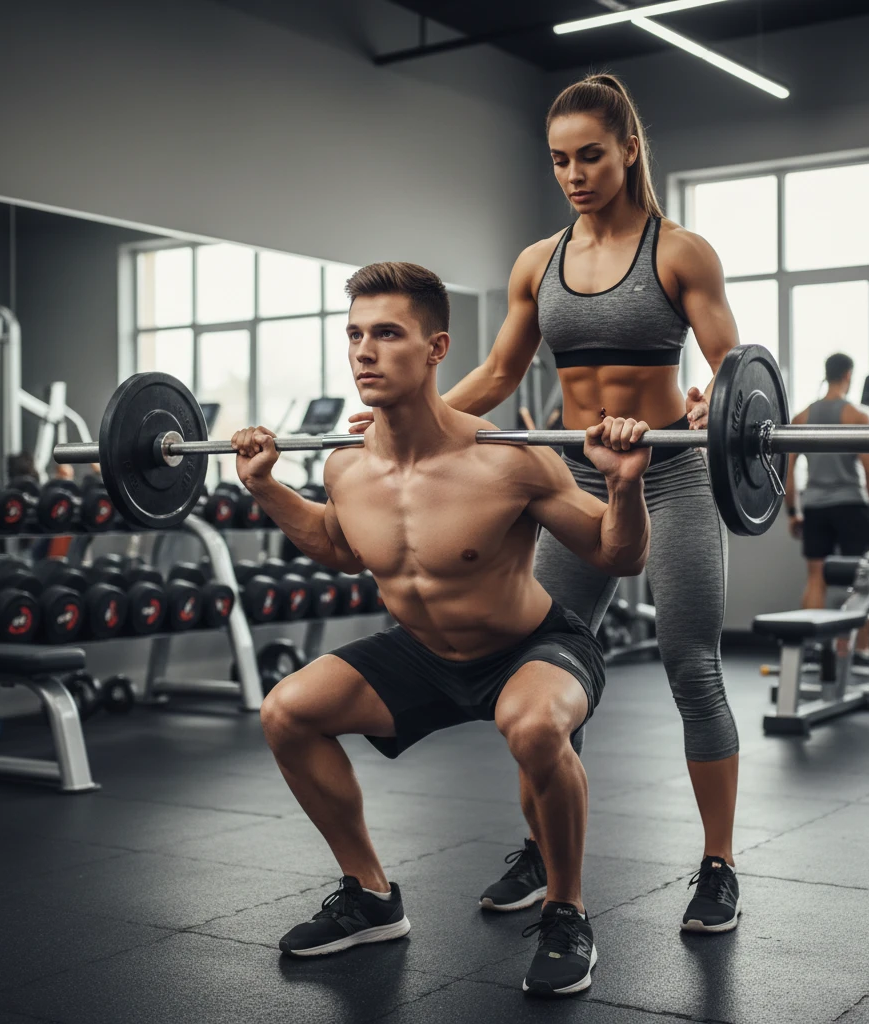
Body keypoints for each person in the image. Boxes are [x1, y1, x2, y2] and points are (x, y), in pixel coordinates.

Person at [349, 73, 742, 932]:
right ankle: (544, 851)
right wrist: (405, 416)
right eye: (560, 160)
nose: (573, 174)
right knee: (548, 665)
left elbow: (733, 367)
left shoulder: (680, 253)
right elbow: (498, 373)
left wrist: (716, 397)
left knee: (692, 665)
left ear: (629, 149)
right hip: (575, 478)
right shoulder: (539, 261)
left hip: (671, 473)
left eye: (590, 156)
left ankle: (718, 865)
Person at [233, 261, 651, 997]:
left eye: (387, 334)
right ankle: (370, 897)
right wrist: (266, 486)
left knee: (533, 727)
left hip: (532, 646)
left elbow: (617, 554)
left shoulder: (508, 460)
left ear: (436, 348)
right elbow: (336, 545)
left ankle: (566, 912)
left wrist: (623, 484)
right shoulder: (345, 468)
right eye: (354, 335)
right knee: (286, 711)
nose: (364, 352)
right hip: (423, 653)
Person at [785, 353, 869, 659]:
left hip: (815, 507)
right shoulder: (858, 415)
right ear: (848, 375)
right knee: (863, 578)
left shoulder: (801, 417)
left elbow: (787, 473)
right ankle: (861, 649)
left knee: (816, 576)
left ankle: (814, 648)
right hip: (851, 506)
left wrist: (793, 512)